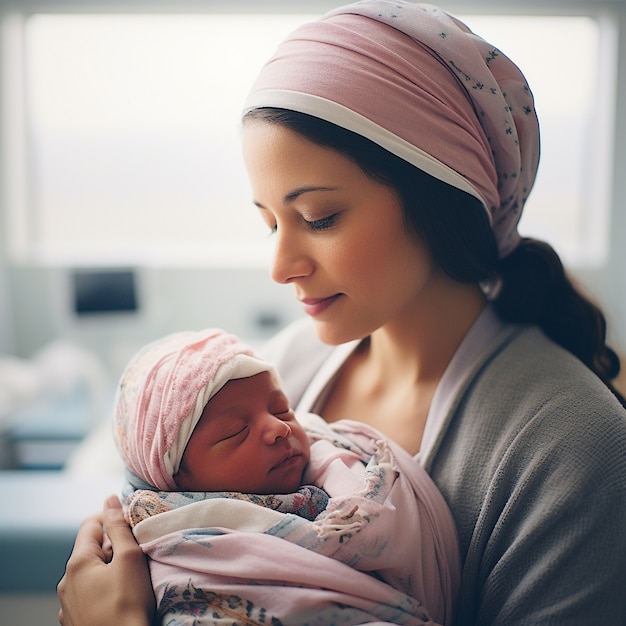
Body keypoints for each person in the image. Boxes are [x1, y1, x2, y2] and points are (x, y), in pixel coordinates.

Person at [57, 1, 626, 625]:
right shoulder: (282, 369)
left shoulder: (572, 451)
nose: (281, 266)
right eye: (269, 222)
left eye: (320, 217)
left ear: (439, 196)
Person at [112, 327, 460, 625]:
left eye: (281, 409)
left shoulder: (347, 461)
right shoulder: (185, 547)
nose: (279, 428)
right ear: (175, 479)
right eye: (235, 432)